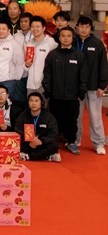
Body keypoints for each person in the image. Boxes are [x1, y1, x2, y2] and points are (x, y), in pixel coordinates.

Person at [42, 26, 88, 155]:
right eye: (63, 36)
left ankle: (71, 142)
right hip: (55, 95)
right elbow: (47, 74)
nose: (66, 38)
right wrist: (48, 91)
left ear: (73, 38)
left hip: (72, 96)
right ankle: (53, 144)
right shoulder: (53, 55)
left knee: (72, 121)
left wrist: (81, 92)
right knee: (55, 120)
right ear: (59, 38)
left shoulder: (79, 55)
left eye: (68, 36)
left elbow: (83, 76)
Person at [74, 16, 108, 154]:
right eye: (81, 26)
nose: (84, 29)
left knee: (95, 115)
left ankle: (98, 143)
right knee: (76, 115)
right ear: (77, 27)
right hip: (76, 86)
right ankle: (76, 139)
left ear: (91, 28)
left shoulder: (97, 44)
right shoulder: (73, 41)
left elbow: (103, 65)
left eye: (87, 27)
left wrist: (102, 85)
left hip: (93, 86)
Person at [15, 92, 62, 162]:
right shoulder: (23, 115)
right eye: (31, 101)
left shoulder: (49, 117)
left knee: (54, 145)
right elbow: (17, 130)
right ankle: (47, 156)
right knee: (15, 143)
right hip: (28, 143)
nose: (33, 103)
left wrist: (41, 141)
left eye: (36, 101)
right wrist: (29, 141)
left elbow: (53, 134)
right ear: (28, 103)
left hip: (42, 143)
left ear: (41, 103)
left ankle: (28, 156)